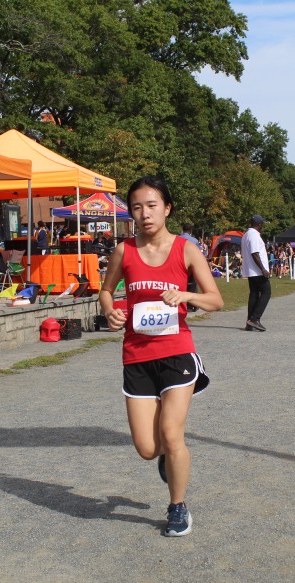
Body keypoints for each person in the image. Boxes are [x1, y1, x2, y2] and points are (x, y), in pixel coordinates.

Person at [98, 176, 223, 538]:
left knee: (171, 432)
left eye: (152, 205)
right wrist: (110, 311)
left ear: (167, 208)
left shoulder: (186, 250)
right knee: (147, 448)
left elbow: (215, 300)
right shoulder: (124, 251)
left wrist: (187, 296)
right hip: (136, 356)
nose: (145, 214)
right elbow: (106, 291)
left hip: (176, 354)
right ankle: (167, 456)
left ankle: (177, 506)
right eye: (137, 207)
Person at [241, 214, 270, 332]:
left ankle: (249, 322)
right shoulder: (254, 235)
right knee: (266, 292)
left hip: (250, 270)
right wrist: (263, 269)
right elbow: (255, 253)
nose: (262, 226)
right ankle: (255, 318)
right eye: (262, 224)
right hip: (257, 271)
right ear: (258, 224)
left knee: (254, 294)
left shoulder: (246, 235)